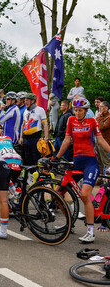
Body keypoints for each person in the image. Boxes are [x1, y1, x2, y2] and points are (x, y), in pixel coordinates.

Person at [54, 95, 110, 243]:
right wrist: (56, 157)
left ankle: (90, 232)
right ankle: (70, 222)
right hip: (76, 161)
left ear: (86, 111)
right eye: (76, 110)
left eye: (80, 110)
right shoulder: (70, 120)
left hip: (90, 162)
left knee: (85, 195)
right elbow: (67, 140)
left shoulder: (92, 121)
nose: (77, 113)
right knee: (58, 194)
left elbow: (100, 140)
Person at [95, 101, 110, 174]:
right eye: (99, 106)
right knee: (98, 161)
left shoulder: (109, 117)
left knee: (106, 161)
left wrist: (98, 118)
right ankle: (100, 178)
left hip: (105, 142)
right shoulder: (101, 116)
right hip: (98, 142)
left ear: (106, 108)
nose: (99, 108)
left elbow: (102, 127)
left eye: (101, 107)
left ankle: (107, 179)